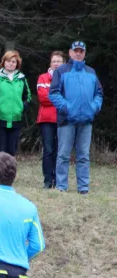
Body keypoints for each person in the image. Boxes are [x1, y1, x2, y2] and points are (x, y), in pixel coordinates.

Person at [49, 41, 103, 195]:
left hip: (86, 121)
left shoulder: (91, 72)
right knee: (63, 155)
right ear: (70, 52)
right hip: (67, 120)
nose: (78, 53)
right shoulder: (61, 71)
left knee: (84, 156)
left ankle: (83, 188)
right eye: (76, 51)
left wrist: (93, 108)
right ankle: (61, 187)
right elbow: (53, 93)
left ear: (84, 53)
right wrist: (66, 108)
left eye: (81, 51)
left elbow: (99, 93)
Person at [0, 51, 31, 156]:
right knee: (0, 150)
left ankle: (9, 171)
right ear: (3, 62)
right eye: (8, 61)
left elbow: (28, 96)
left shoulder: (22, 79)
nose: (11, 64)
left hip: (16, 119)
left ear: (17, 64)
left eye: (13, 62)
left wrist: (22, 107)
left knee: (12, 150)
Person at [37, 51, 65, 189]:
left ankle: (59, 180)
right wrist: (59, 98)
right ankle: (48, 180)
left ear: (63, 63)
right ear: (50, 63)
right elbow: (43, 98)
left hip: (63, 120)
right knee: (48, 150)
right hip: (46, 120)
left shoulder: (67, 78)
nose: (56, 63)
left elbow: (70, 98)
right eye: (54, 61)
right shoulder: (42, 78)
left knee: (60, 151)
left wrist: (54, 98)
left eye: (59, 61)